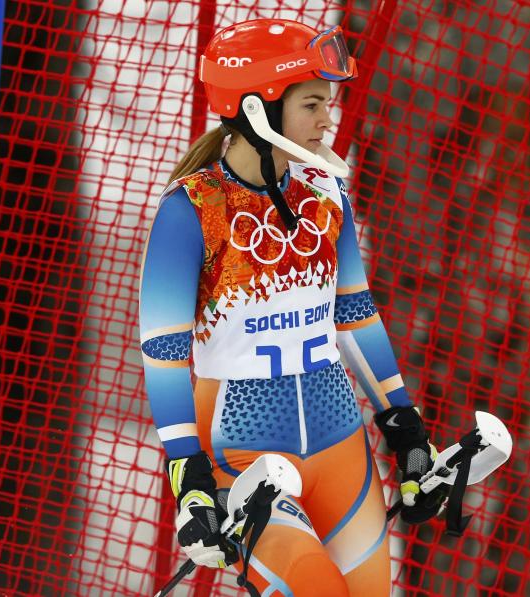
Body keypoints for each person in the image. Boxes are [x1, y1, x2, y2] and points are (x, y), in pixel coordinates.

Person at [138, 19, 445, 596]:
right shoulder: (189, 212)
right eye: (312, 104)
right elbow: (164, 354)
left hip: (338, 438)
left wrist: (404, 427)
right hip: (242, 445)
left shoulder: (327, 193)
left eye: (328, 103)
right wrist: (189, 474)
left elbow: (355, 314)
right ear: (257, 110)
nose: (329, 119)